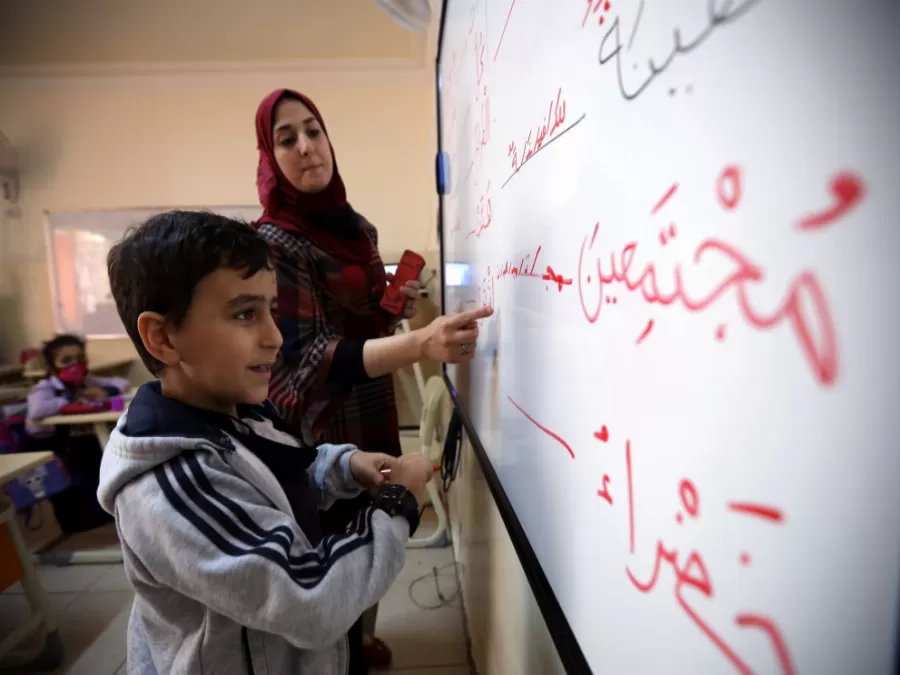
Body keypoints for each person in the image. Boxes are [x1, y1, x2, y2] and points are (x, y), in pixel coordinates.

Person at [98, 210, 436, 675]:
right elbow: (313, 597)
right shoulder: (173, 484)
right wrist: (400, 503)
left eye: (271, 310)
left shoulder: (236, 412)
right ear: (163, 338)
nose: (274, 337)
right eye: (244, 314)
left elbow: (278, 475)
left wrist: (344, 465)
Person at [253, 88, 492, 670]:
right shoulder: (274, 240)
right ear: (270, 157)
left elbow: (360, 324)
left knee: (377, 520)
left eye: (314, 130)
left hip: (371, 404)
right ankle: (337, 649)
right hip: (317, 421)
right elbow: (307, 358)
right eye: (287, 139)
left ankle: (360, 635)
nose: (308, 147)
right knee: (331, 537)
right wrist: (417, 342)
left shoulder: (357, 226)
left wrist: (396, 306)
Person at [25, 333, 129, 533]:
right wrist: (68, 402)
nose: (76, 365)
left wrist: (106, 392)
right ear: (52, 367)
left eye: (81, 359)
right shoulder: (45, 387)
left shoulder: (86, 381)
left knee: (101, 461)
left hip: (80, 442)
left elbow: (121, 383)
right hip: (53, 447)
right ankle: (81, 519)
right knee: (73, 486)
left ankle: (108, 509)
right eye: (67, 360)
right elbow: (37, 410)